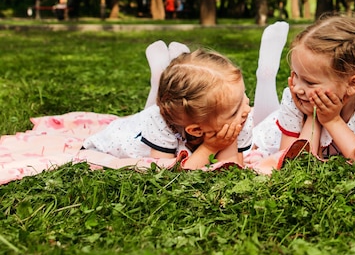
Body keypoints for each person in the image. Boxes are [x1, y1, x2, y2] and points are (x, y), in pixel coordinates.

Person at [257, 14, 355, 167]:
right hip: (274, 128)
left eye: (309, 82)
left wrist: (332, 120)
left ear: (352, 84)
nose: (298, 88)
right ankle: (266, 76)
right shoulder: (295, 96)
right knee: (259, 123)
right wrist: (312, 117)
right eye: (295, 74)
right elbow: (294, 165)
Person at [82, 48, 253, 169]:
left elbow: (232, 169)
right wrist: (210, 148)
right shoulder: (160, 124)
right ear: (196, 129)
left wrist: (228, 141)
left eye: (244, 96)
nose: (247, 108)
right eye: (235, 110)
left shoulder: (240, 118)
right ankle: (157, 79)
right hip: (120, 141)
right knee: (149, 115)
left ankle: (159, 77)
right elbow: (167, 174)